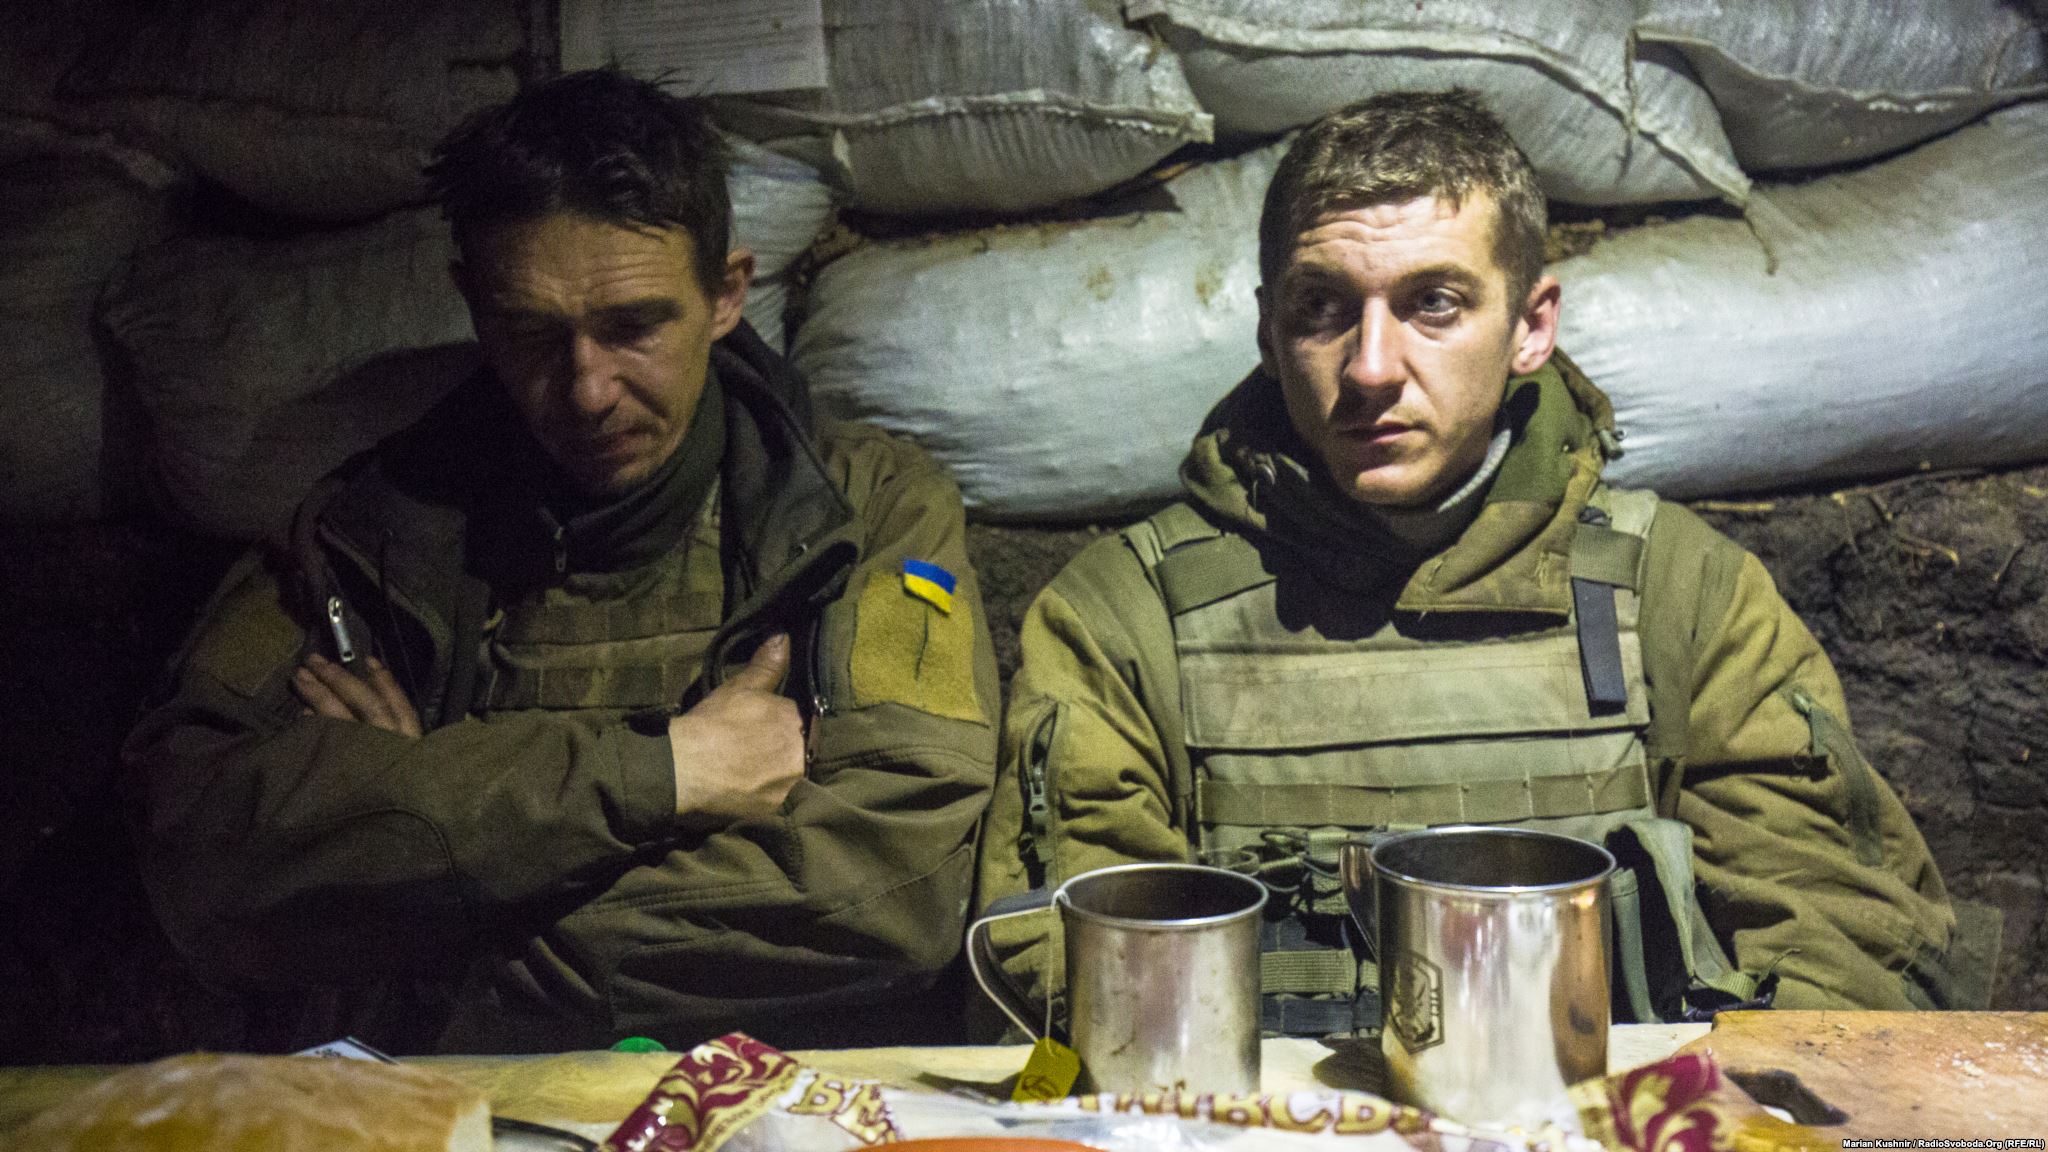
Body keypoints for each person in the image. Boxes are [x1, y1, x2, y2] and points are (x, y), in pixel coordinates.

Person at [976, 90, 1996, 1036]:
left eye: (1433, 303)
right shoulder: (1123, 616)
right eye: (1321, 308)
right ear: (1266, 328)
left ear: (1529, 328)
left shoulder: (1684, 597)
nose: (1370, 368)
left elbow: (1840, 939)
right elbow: (1058, 966)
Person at [125, 70, 998, 1053]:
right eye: (532, 333)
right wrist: (657, 775)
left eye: (633, 328)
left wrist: (414, 889)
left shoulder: (866, 511)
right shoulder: (371, 534)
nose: (585, 391)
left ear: (724, 295)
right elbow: (196, 846)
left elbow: (885, 890)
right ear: (471, 305)